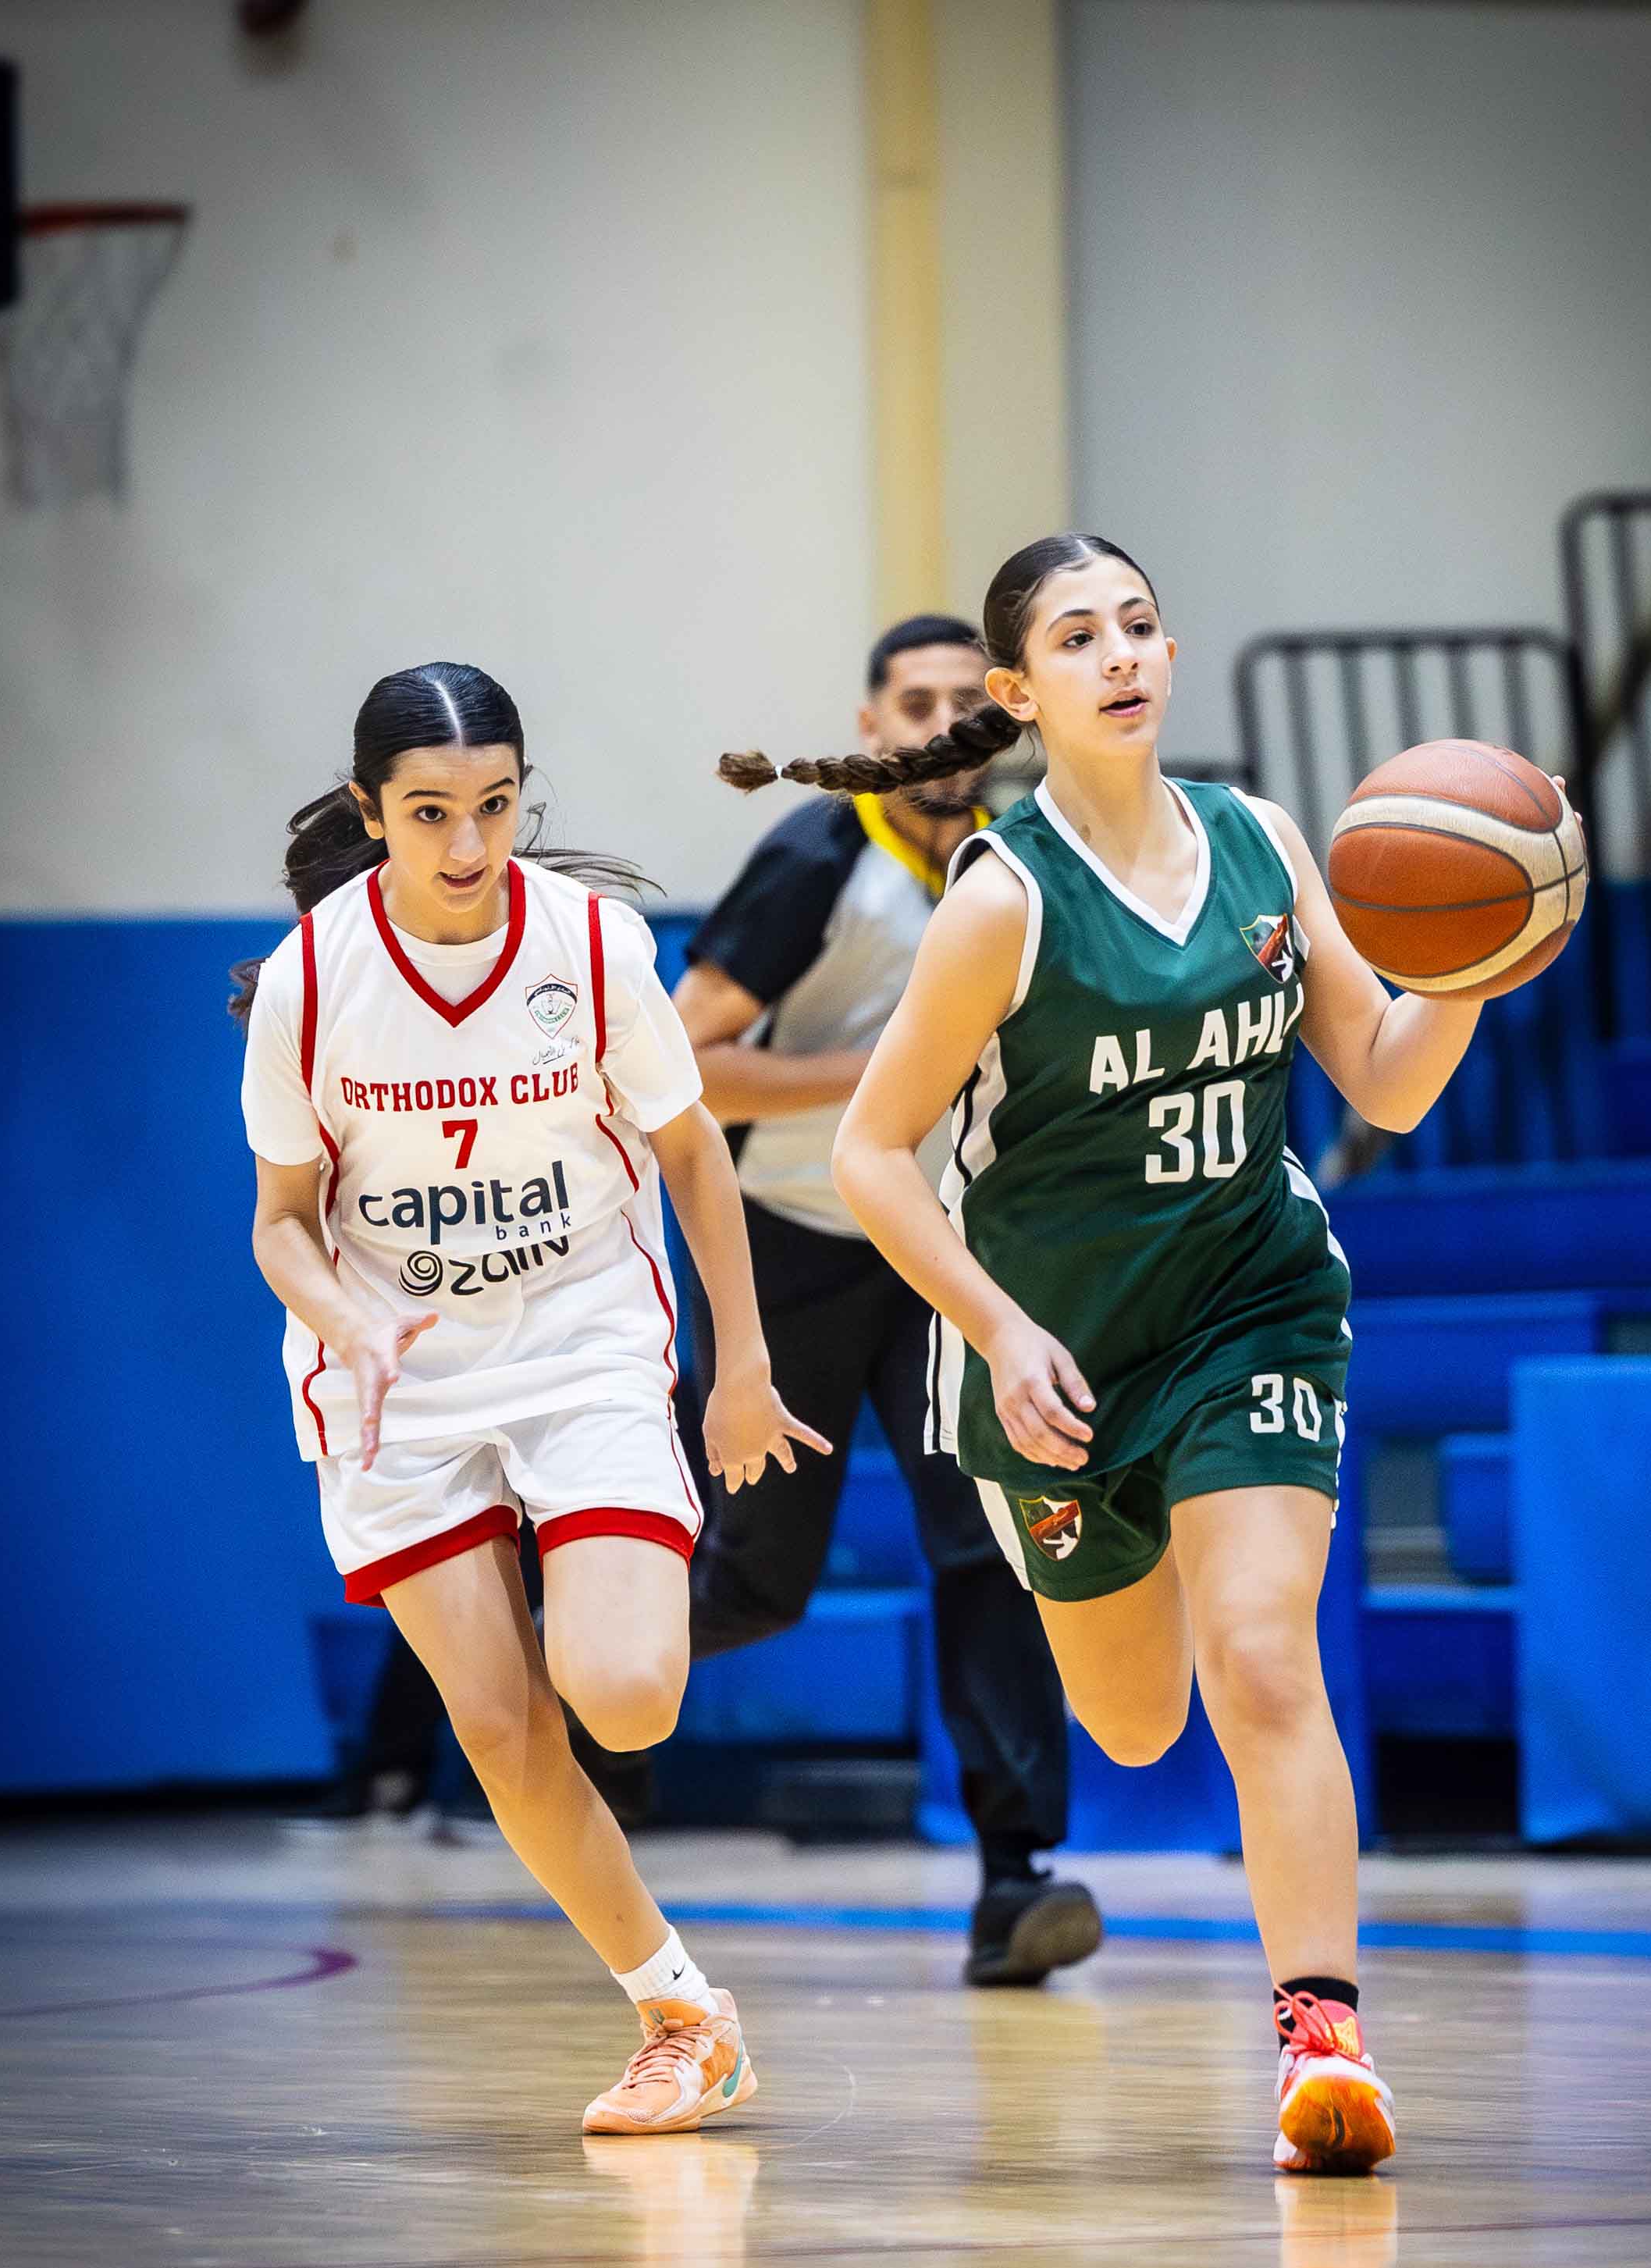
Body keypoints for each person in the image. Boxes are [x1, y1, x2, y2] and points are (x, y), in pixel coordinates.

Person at [726, 535, 1562, 2171]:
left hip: (1252, 1306)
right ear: (1020, 692)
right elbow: (877, 1154)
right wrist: (996, 1327)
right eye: (1078, 637)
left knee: (1263, 1655)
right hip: (1054, 1355)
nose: (1120, 653)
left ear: (1168, 659)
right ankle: (1155, 1518)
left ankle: (1323, 2037)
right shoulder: (1003, 900)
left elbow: (1387, 1082)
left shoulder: (1260, 842)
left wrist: (1471, 962)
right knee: (1132, 1723)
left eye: (1140, 625)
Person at [237, 660, 826, 2136]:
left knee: (621, 1691)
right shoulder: (311, 980)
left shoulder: (592, 945)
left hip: (580, 1338)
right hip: (399, 1377)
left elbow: (690, 1150)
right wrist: (349, 1318)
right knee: (499, 1731)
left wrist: (743, 1363)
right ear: (372, 810)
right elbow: (281, 1223)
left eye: (496, 806)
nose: (468, 843)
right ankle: (685, 2018)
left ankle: (582, 1571)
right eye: (431, 811)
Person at [674, 617, 1101, 1987]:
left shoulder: (1026, 862)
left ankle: (1015, 1876)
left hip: (939, 1254)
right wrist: (880, 1075)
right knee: (756, 1581)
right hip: (788, 1242)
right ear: (872, 728)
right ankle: (569, 1696)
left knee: (991, 1544)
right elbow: (685, 1062)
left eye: (961, 701)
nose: (938, 726)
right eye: (912, 703)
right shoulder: (816, 857)